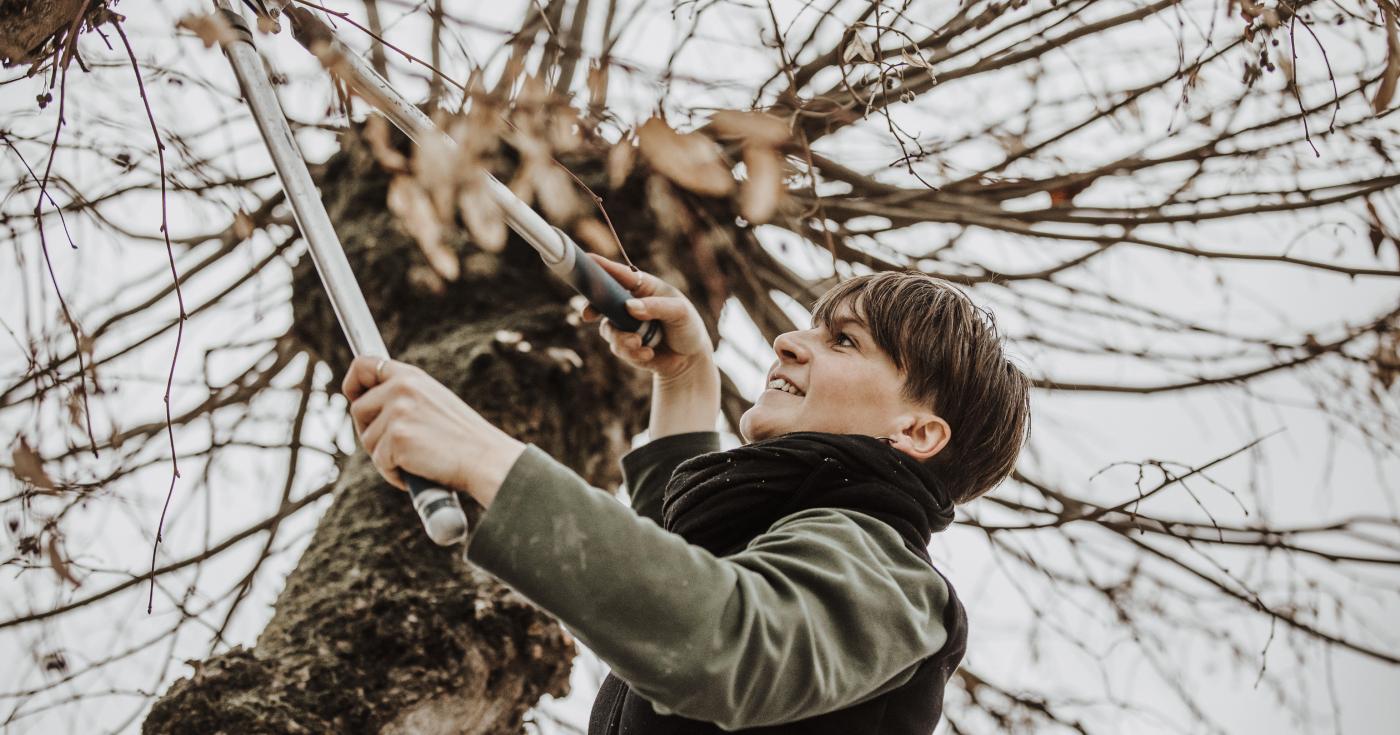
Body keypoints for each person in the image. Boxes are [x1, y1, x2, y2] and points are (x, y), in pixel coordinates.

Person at [342, 254, 1033, 734]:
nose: (788, 340)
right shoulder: (798, 552)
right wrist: (685, 378)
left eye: (844, 341)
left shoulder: (894, 581)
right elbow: (686, 571)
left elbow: (717, 637)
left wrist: (482, 456)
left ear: (915, 430)